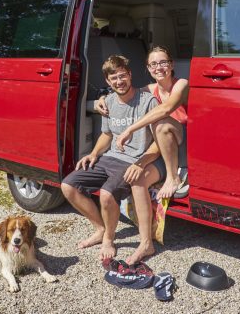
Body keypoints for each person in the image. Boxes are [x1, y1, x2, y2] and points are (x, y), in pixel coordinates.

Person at [61, 55, 167, 262]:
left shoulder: (147, 102)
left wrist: (141, 163)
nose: (119, 82)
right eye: (114, 78)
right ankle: (100, 228)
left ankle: (109, 238)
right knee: (68, 186)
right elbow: (107, 135)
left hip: (133, 160)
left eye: (122, 76)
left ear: (130, 75)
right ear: (108, 82)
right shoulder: (108, 101)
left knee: (107, 195)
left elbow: (159, 141)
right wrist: (93, 154)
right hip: (110, 157)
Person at [98, 45, 189, 202]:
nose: (158, 68)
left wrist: (130, 130)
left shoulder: (181, 84)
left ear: (171, 64)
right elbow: (126, 92)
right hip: (162, 145)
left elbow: (166, 109)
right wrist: (103, 99)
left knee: (161, 124)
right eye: (153, 64)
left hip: (183, 140)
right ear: (148, 68)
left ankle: (173, 177)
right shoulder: (149, 88)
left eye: (163, 62)